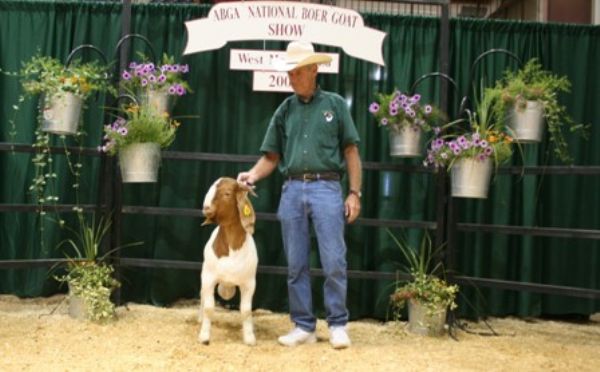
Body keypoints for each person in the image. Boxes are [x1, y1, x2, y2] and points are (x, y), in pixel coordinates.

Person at [237, 41, 362, 349]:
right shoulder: (285, 110)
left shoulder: (335, 105)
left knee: (334, 259)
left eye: (296, 72)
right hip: (291, 188)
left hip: (328, 187)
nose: (291, 78)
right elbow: (271, 157)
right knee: (296, 263)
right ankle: (303, 325)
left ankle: (337, 324)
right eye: (289, 72)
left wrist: (354, 193)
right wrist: (252, 174)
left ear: (313, 70)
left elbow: (351, 150)